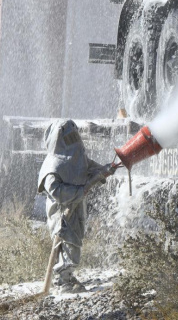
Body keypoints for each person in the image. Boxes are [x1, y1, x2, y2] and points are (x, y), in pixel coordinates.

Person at [37, 119, 117, 293]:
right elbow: (55, 190)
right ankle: (63, 280)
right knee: (67, 239)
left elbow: (90, 168)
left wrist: (106, 170)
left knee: (75, 240)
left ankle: (68, 276)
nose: (74, 139)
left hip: (77, 206)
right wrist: (80, 191)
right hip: (61, 210)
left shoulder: (77, 157)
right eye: (69, 136)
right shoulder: (53, 164)